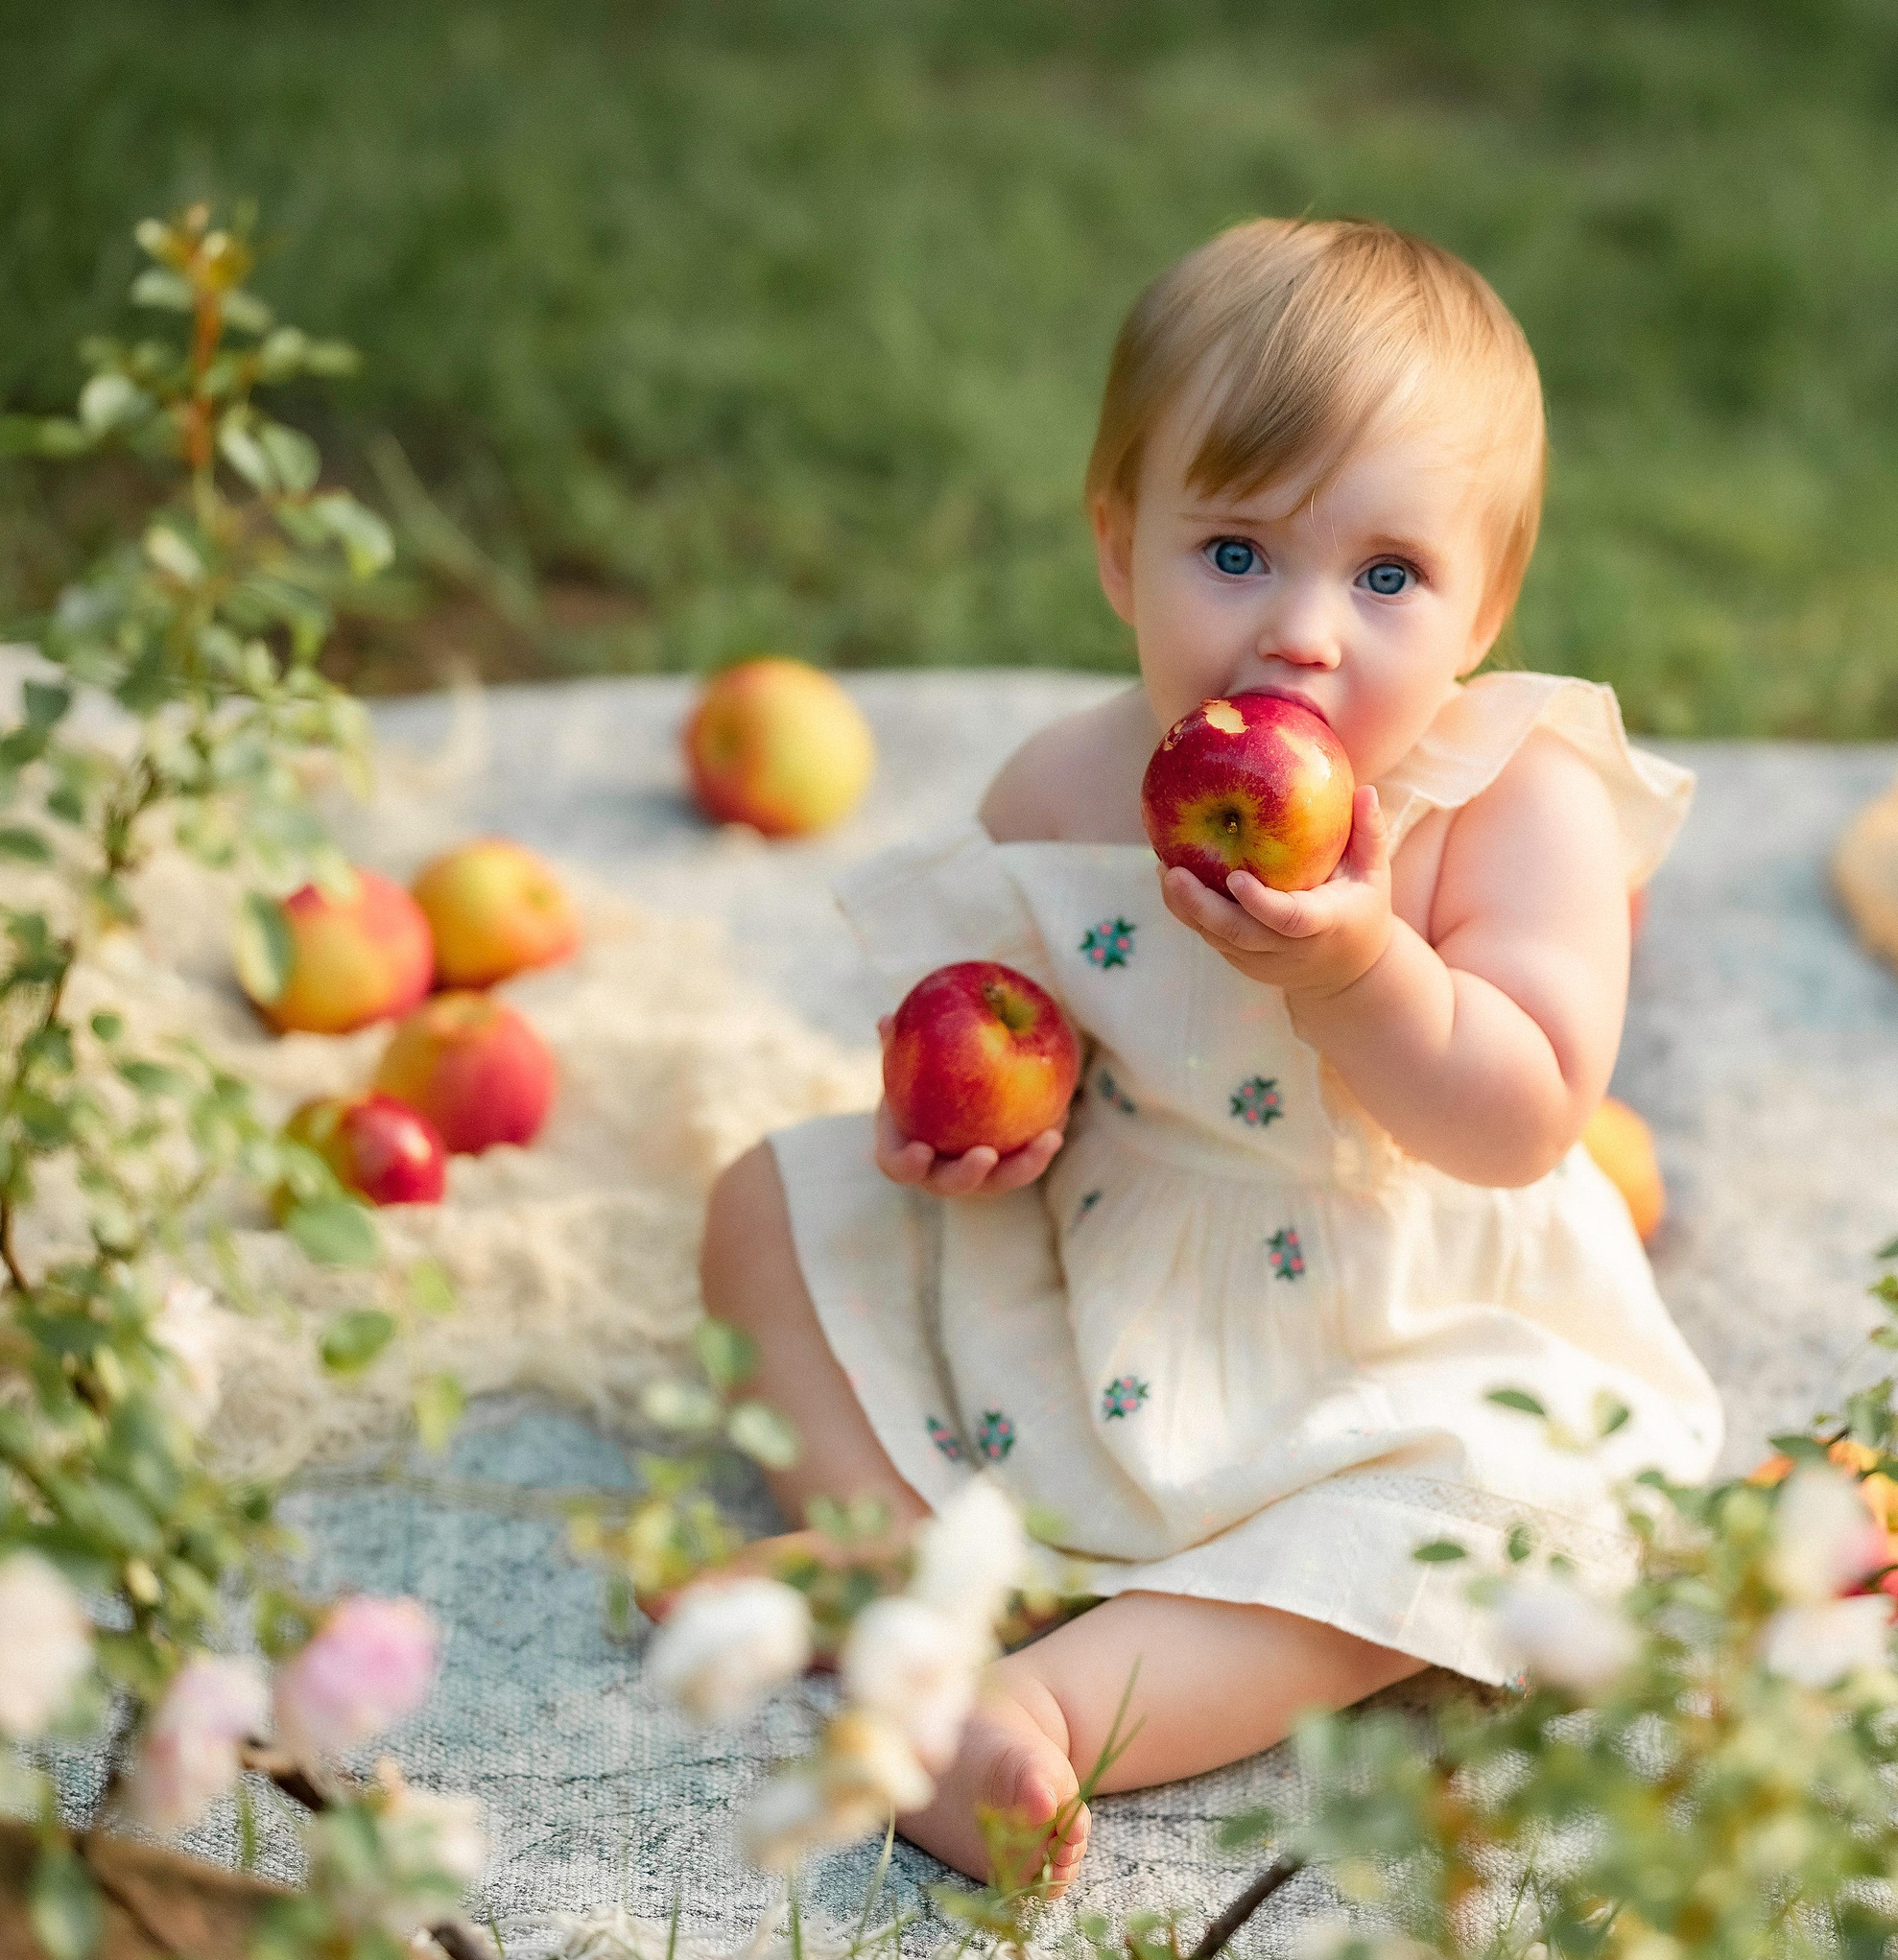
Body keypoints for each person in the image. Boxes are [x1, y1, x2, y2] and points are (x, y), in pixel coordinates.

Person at [700, 216, 1723, 1891]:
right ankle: (898, 1563)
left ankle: (1030, 1707)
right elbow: (1016, 1028)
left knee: (1453, 1531)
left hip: (1390, 1331)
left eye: (1388, 577)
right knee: (769, 1202)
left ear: (1489, 602)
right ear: (1121, 551)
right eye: (1237, 553)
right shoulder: (1062, 788)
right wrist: (961, 1137)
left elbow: (1526, 1118)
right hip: (1120, 1260)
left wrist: (1363, 968)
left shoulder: (1515, 804)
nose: (1305, 633)